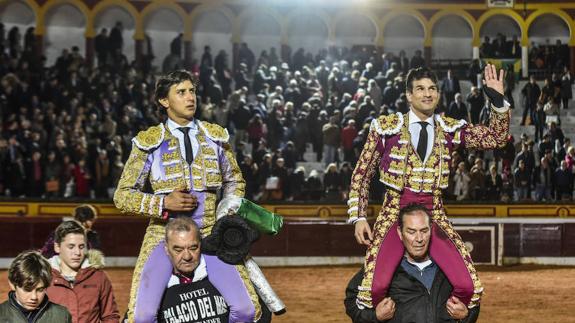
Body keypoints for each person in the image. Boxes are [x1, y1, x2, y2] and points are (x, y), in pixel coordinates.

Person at [348, 65, 509, 310]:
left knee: (469, 288)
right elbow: (362, 173)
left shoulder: (449, 128)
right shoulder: (385, 127)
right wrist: (359, 216)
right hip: (394, 213)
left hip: (433, 213)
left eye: (432, 88)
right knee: (374, 289)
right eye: (420, 89)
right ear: (408, 95)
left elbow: (495, 138)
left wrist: (497, 100)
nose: (427, 94)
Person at [114, 70, 263, 322]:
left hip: (209, 233)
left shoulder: (215, 137)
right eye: (181, 92)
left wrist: (225, 215)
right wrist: (163, 202)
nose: (190, 97)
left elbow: (235, 181)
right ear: (164, 101)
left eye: (192, 91)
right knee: (142, 316)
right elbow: (122, 196)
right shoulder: (149, 142)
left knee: (248, 309)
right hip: (162, 235)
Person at [345, 204, 480, 323]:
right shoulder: (382, 267)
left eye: (424, 231)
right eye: (411, 232)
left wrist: (466, 316)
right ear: (400, 233)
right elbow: (352, 303)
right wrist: (375, 317)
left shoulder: (450, 266)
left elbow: (473, 303)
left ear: (431, 230)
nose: (419, 239)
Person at [158, 216, 272, 323]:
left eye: (193, 248)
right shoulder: (155, 292)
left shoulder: (229, 277)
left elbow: (261, 315)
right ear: (167, 250)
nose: (187, 256)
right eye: (178, 250)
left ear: (201, 245)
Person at [46, 220, 120, 323]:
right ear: (57, 247)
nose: (77, 253)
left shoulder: (98, 277)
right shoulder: (43, 276)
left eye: (81, 247)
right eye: (71, 247)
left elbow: (110, 316)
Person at [0, 250, 72, 322]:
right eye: (27, 289)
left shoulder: (62, 316)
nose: (34, 297)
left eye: (40, 290)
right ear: (12, 284)